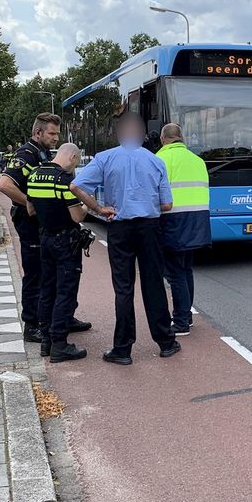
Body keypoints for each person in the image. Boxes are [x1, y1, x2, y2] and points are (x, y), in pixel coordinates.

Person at [70, 114, 179, 365]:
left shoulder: (105, 158)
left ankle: (122, 349)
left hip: (119, 226)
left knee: (123, 287)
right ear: (141, 135)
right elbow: (167, 204)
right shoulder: (155, 161)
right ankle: (166, 342)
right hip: (149, 227)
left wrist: (98, 208)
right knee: (153, 283)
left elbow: (76, 187)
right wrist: (145, 203)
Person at [0, 113, 61, 343]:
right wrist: (28, 202)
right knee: (35, 273)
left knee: (48, 272)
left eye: (57, 133)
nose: (56, 138)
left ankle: (56, 317)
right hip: (29, 222)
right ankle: (32, 324)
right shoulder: (27, 154)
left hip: (41, 224)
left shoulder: (42, 153)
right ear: (38, 133)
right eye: (52, 133)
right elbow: (4, 184)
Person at [26, 143, 89, 363]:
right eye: (77, 162)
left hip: (45, 238)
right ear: (72, 156)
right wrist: (87, 206)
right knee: (65, 291)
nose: (75, 166)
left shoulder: (34, 174)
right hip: (65, 241)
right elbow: (77, 217)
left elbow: (30, 209)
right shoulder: (64, 180)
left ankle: (46, 342)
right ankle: (60, 345)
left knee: (47, 290)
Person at [155, 123, 211, 336]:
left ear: (163, 139)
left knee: (175, 273)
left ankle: (180, 322)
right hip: (198, 220)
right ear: (181, 138)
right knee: (186, 270)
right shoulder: (198, 160)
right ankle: (186, 315)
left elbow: (156, 193)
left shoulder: (160, 159)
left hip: (172, 221)